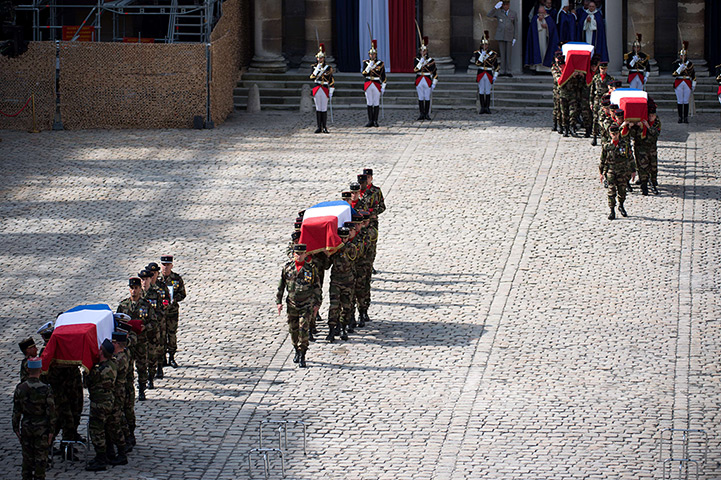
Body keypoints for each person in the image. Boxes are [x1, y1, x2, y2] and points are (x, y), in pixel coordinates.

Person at [276, 244, 321, 368]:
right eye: (297, 254)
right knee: (293, 330)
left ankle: (302, 354)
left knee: (303, 329)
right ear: (294, 254)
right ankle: (296, 348)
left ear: (305, 254)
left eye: (302, 254)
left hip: (306, 305)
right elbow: (281, 286)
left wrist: (317, 303)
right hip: (292, 304)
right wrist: (278, 302)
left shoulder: (310, 269)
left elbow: (317, 287)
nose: (299, 256)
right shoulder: (287, 268)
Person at [13, 357, 55, 480]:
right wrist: (52, 431)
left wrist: (16, 428)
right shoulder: (46, 389)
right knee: (41, 460)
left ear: (27, 369)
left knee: (27, 459)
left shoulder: (21, 388)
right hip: (41, 428)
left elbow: (16, 410)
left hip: (26, 426)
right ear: (40, 370)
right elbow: (51, 412)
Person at [117, 277, 154, 401]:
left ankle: (142, 388)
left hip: (141, 340)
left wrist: (145, 327)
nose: (134, 291)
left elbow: (154, 322)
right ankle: (129, 388)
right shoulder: (123, 305)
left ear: (139, 289)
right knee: (128, 366)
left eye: (136, 288)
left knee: (142, 365)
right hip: (127, 342)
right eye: (132, 288)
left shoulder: (146, 305)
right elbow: (117, 323)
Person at [85, 339, 117, 471]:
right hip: (109, 401)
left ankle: (101, 458)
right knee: (107, 428)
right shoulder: (112, 365)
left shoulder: (99, 370)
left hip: (99, 404)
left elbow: (88, 383)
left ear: (102, 353)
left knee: (96, 430)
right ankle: (110, 453)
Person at [326, 228, 356, 342]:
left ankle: (344, 328)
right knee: (334, 306)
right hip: (336, 281)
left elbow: (353, 257)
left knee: (347, 306)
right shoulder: (334, 249)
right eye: (341, 238)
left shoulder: (351, 247)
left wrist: (339, 247)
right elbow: (326, 266)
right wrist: (328, 254)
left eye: (345, 238)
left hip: (348, 281)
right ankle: (332, 330)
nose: (343, 240)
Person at [600, 124, 635, 220]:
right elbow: (602, 160)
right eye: (613, 134)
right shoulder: (607, 146)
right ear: (610, 134)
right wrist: (601, 173)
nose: (615, 135)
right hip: (611, 171)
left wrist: (633, 170)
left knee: (622, 190)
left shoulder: (624, 144)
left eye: (616, 133)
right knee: (611, 191)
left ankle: (621, 205)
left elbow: (631, 158)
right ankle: (612, 210)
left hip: (622, 171)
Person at [159, 255, 186, 368]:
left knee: (171, 334)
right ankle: (162, 358)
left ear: (171, 265)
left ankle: (172, 356)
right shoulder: (156, 279)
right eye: (164, 265)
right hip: (160, 312)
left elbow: (182, 294)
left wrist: (174, 299)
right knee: (161, 334)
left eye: (168, 265)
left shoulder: (176, 278)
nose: (165, 267)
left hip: (172, 311)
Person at [139, 269, 162, 389]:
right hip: (140, 334)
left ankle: (151, 378)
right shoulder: (137, 295)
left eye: (146, 279)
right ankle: (142, 379)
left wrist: (149, 324)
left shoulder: (155, 294)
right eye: (142, 280)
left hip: (152, 331)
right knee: (141, 359)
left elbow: (160, 312)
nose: (144, 282)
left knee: (152, 357)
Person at [487, 0, 517, 77]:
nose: (505, 6)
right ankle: (502, 70)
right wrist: (495, 8)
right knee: (502, 54)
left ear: (509, 5)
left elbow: (516, 26)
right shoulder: (498, 12)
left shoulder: (513, 13)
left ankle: (508, 71)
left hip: (509, 35)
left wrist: (515, 37)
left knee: (508, 54)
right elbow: (489, 15)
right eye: (504, 5)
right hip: (501, 35)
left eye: (507, 5)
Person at [525, 6, 559, 74]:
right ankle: (538, 68)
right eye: (540, 13)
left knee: (545, 52)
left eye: (542, 13)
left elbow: (553, 29)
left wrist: (547, 26)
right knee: (538, 51)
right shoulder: (535, 18)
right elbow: (532, 29)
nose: (541, 14)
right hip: (537, 40)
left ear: (545, 12)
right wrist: (538, 21)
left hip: (546, 41)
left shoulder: (549, 18)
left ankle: (546, 69)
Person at [472, 30, 499, 114]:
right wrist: (482, 56)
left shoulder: (493, 54)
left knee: (487, 91)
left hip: (488, 73)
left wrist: (495, 76)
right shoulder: (477, 53)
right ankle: (482, 107)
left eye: (486, 44)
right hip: (481, 72)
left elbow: (497, 66)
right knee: (481, 90)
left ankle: (487, 107)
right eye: (483, 44)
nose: (485, 46)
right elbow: (477, 63)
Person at [310, 43, 334, 134]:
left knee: (324, 108)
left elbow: (331, 79)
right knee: (318, 108)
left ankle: (324, 126)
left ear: (324, 58)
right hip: (317, 87)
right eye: (318, 58)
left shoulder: (328, 68)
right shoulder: (314, 67)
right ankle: (318, 126)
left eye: (321, 58)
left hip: (324, 88)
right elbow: (312, 78)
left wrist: (331, 90)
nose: (320, 60)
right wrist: (317, 70)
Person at [361, 39, 386, 128]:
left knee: (376, 103)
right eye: (371, 54)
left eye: (374, 54)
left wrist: (383, 86)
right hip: (368, 82)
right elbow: (364, 73)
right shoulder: (366, 63)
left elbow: (383, 76)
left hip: (376, 83)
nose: (372, 55)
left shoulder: (380, 63)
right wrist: (369, 66)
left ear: (376, 54)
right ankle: (370, 120)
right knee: (369, 102)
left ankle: (375, 120)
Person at [589, 61, 614, 145]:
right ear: (599, 69)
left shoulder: (610, 79)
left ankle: (606, 136)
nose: (603, 70)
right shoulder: (595, 78)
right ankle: (595, 136)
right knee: (595, 119)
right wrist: (591, 102)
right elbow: (592, 91)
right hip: (597, 100)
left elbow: (612, 91)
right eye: (601, 68)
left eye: (604, 68)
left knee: (606, 118)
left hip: (606, 101)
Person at [414, 36, 437, 121]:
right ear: (419, 51)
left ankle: (427, 114)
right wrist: (420, 62)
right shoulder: (416, 60)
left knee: (427, 97)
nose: (423, 52)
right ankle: (421, 114)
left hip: (427, 79)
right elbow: (415, 70)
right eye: (422, 51)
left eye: (424, 51)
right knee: (420, 97)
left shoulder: (431, 60)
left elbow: (435, 73)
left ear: (427, 51)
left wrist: (434, 83)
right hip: (419, 79)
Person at [672, 41, 695, 124]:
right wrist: (680, 68)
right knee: (679, 100)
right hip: (679, 81)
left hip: (687, 82)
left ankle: (685, 117)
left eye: (684, 55)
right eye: (681, 55)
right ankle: (679, 117)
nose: (683, 57)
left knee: (686, 101)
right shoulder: (676, 63)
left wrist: (693, 85)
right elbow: (674, 74)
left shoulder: (690, 64)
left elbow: (693, 75)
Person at [551, 50, 564, 133]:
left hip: (564, 91)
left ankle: (562, 126)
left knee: (562, 109)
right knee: (556, 109)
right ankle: (555, 124)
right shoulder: (554, 67)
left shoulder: (564, 65)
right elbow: (558, 79)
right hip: (557, 91)